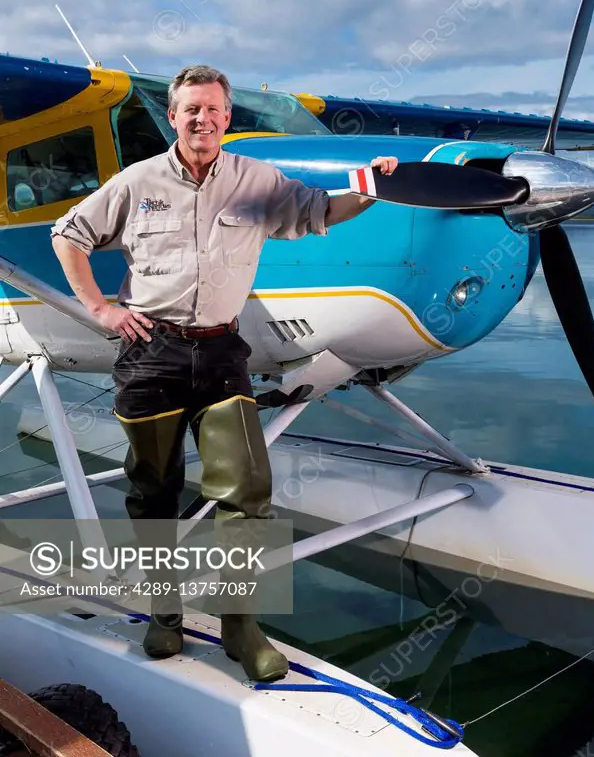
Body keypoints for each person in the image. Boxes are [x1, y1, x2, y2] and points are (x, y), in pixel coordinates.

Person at [51, 64, 397, 683]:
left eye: (212, 110)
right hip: (151, 350)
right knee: (153, 490)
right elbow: (68, 233)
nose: (201, 120)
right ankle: (165, 613)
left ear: (226, 118)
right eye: (189, 110)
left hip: (220, 352)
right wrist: (101, 309)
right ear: (175, 117)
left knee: (246, 492)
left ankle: (241, 624)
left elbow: (320, 211)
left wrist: (369, 190)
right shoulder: (138, 181)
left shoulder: (257, 180)